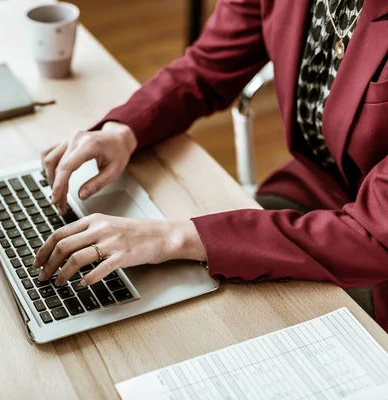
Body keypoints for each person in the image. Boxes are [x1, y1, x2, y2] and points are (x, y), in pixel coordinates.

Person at [32, 0, 388, 331]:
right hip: (313, 191)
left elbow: (373, 233)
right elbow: (209, 65)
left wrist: (172, 236)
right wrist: (124, 130)